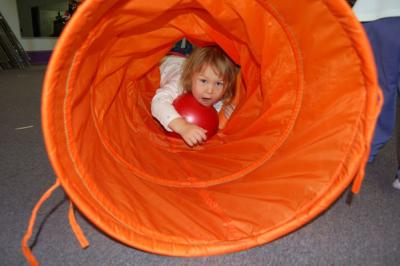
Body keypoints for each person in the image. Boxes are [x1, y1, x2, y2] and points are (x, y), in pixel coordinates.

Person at [352, 0, 400, 189]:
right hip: (381, 13)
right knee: (378, 88)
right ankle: (365, 149)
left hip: (380, 12)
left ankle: (366, 150)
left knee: (379, 88)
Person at [151, 45, 238, 147]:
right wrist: (182, 127)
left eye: (218, 83)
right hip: (169, 59)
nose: (210, 90)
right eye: (203, 81)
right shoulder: (179, 84)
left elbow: (213, 113)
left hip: (188, 60)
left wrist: (228, 113)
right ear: (190, 77)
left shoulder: (219, 94)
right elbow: (158, 102)